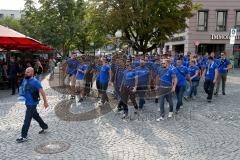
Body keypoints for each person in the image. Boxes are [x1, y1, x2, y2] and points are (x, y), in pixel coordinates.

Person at [16, 67, 48, 143]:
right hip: (27, 103)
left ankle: (24, 136)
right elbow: (23, 88)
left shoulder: (35, 82)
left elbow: (42, 92)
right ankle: (44, 126)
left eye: (28, 72)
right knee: (35, 116)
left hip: (32, 104)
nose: (26, 73)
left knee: (27, 119)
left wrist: (45, 101)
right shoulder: (25, 79)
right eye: (26, 72)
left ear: (32, 73)